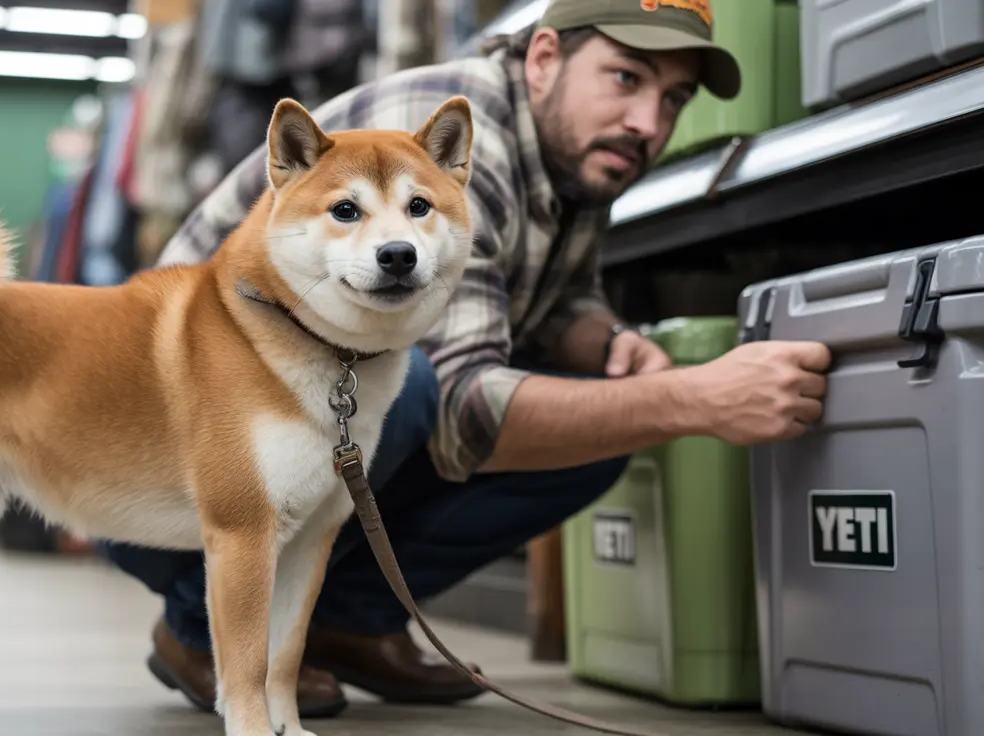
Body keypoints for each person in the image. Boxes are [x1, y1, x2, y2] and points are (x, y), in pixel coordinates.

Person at [100, 0, 831, 719]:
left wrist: (608, 340)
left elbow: (558, 299)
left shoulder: (580, 147)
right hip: (165, 459)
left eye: (674, 98)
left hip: (287, 433)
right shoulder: (434, 157)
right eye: (626, 78)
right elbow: (462, 409)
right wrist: (694, 400)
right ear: (544, 58)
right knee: (406, 384)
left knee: (599, 427)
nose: (648, 122)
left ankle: (351, 622)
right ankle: (207, 633)